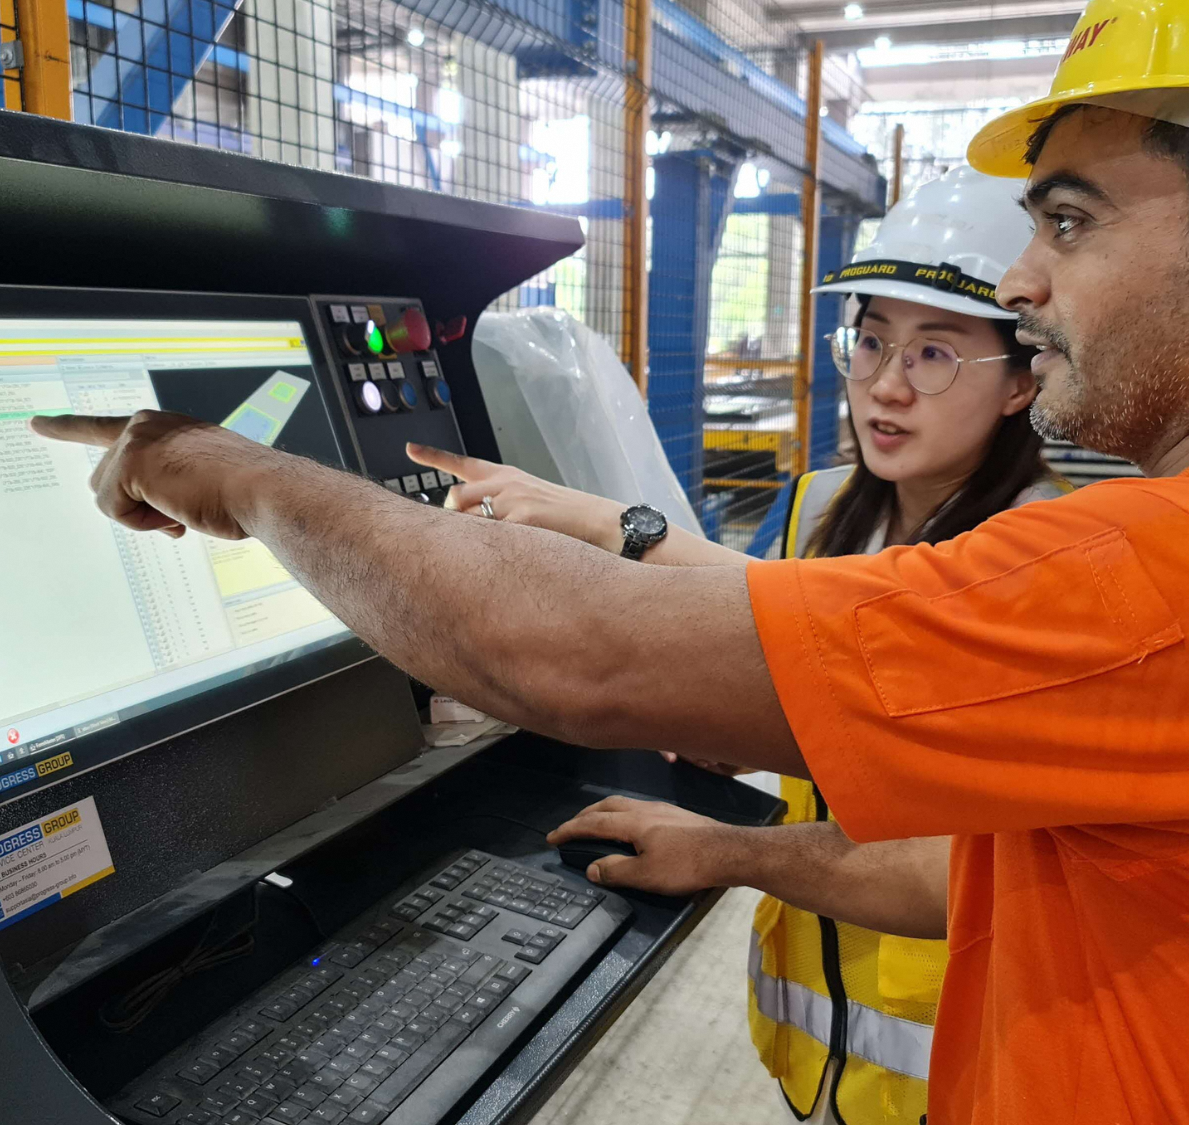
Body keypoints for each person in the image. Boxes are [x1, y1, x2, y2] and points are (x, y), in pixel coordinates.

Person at [32, 1, 1189, 1119]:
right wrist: (613, 544)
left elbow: (574, 659)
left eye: (1068, 221)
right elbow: (800, 617)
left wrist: (227, 469)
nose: (1023, 281)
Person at [405, 166, 1067, 1125]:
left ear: (1018, 380)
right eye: (870, 340)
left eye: (933, 354)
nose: (884, 385)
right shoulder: (820, 503)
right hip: (822, 1038)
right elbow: (797, 645)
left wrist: (725, 849)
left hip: (967, 1065)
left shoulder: (1047, 560)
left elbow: (950, 872)